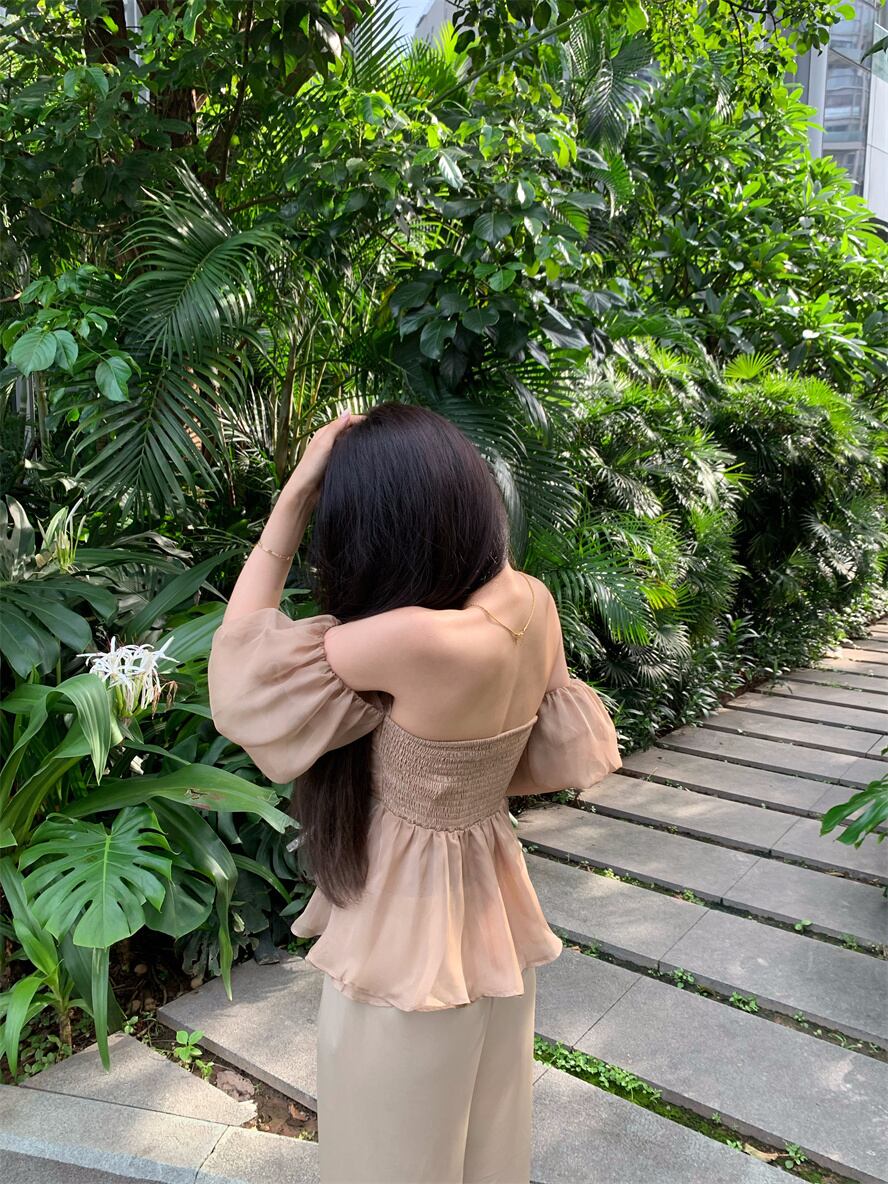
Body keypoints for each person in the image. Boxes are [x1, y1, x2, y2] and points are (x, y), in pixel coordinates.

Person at [207, 401, 622, 1184]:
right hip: (490, 913)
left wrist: (295, 496)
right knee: (485, 1141)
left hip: (404, 934)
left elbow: (240, 678)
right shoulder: (533, 603)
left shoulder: (410, 640)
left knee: (386, 1153)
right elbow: (545, 751)